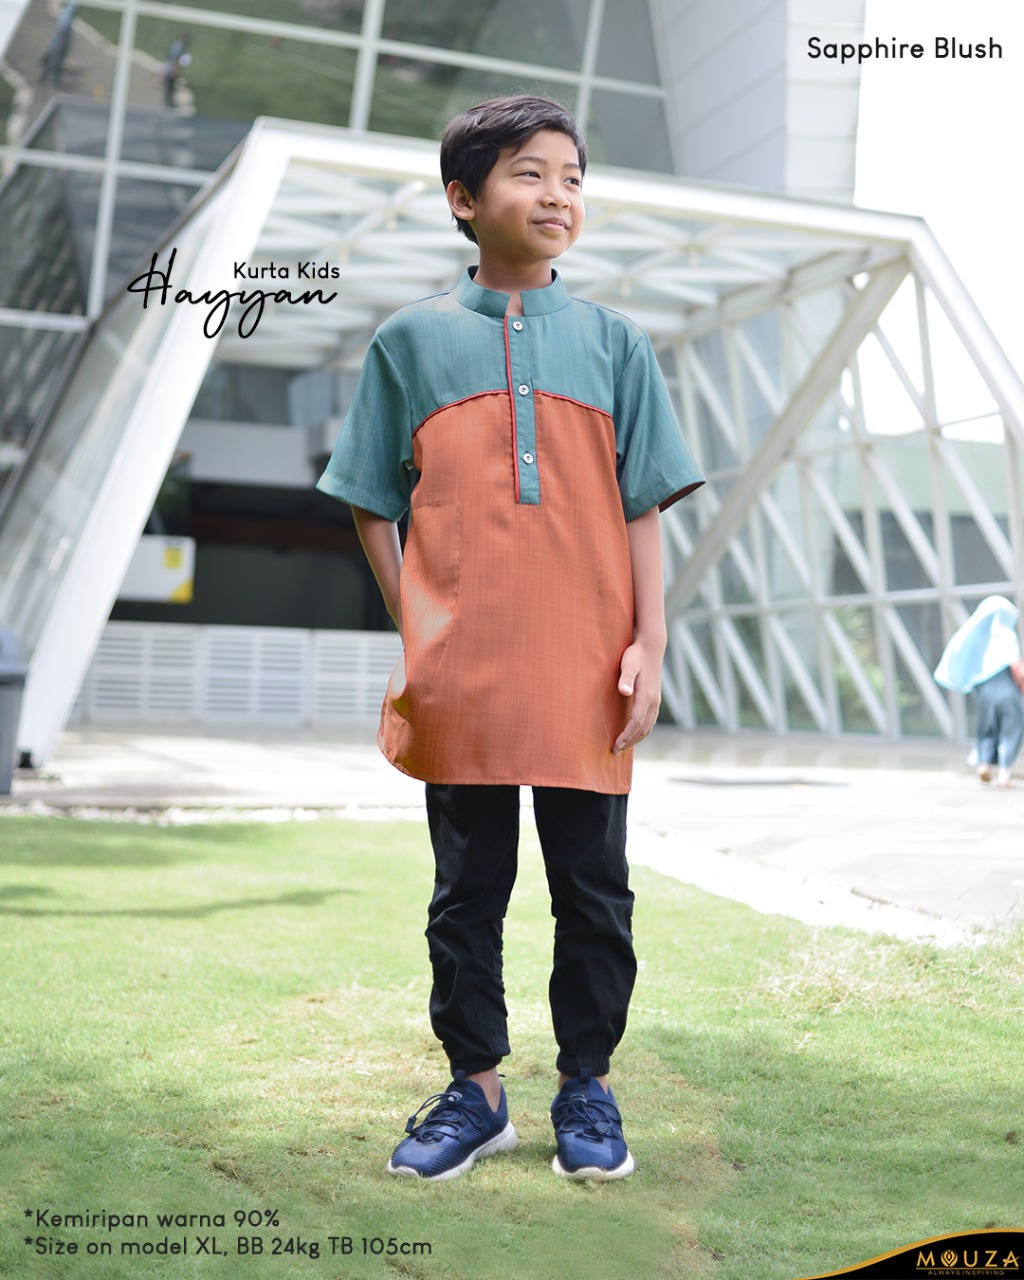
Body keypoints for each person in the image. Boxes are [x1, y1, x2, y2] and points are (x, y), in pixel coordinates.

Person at [317, 94, 703, 1182]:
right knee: (465, 892)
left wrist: (649, 643)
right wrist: (416, 625)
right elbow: (369, 500)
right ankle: (476, 1091)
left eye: (572, 178)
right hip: (462, 672)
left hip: (588, 666)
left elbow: (643, 504)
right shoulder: (410, 341)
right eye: (530, 173)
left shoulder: (617, 343)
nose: (557, 195)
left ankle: (587, 1085)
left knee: (595, 892)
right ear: (464, 197)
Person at [934, 595, 1024, 788]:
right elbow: (1016, 667)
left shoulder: (979, 641)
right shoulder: (1006, 636)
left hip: (984, 693)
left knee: (987, 729)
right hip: (1007, 692)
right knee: (1011, 729)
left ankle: (984, 764)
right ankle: (1004, 774)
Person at [39, 3, 76, 85]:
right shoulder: (62, 33)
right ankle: (48, 79)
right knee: (54, 65)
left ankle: (50, 79)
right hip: (58, 50)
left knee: (55, 66)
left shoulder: (62, 34)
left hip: (59, 49)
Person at [161, 34, 191, 107]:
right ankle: (169, 101)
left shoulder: (176, 45)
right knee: (171, 85)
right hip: (172, 68)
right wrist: (175, 70)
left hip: (171, 67)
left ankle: (169, 100)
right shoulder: (179, 47)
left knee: (170, 85)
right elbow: (176, 59)